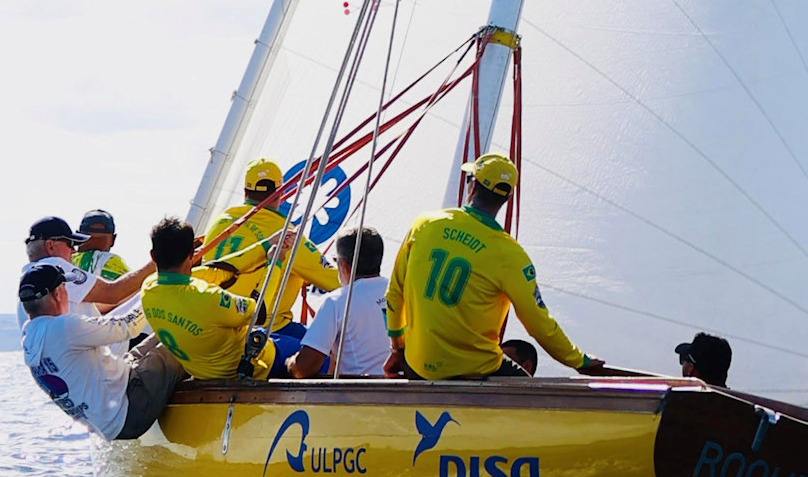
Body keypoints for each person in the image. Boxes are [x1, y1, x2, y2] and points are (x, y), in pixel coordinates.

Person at [385, 153, 607, 380]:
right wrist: (578, 360)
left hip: (417, 366)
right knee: (527, 390)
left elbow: (394, 294)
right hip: (474, 372)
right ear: (507, 198)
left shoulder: (424, 224)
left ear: (472, 186)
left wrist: (397, 349)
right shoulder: (510, 255)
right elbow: (539, 324)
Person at [20, 263, 184, 440]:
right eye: (65, 287)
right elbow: (128, 327)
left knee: (161, 335)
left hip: (109, 422)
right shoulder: (63, 327)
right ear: (58, 294)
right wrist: (154, 290)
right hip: (130, 411)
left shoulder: (29, 335)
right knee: (183, 339)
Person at [202, 158, 341, 329]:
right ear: (280, 192)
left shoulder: (219, 222)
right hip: (262, 329)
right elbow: (339, 281)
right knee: (324, 351)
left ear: (245, 191)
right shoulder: (286, 236)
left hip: (209, 320)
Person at [141, 217, 275, 380]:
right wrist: (276, 264)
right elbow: (259, 313)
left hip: (199, 373)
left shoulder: (148, 288)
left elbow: (215, 273)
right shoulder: (210, 298)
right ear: (192, 253)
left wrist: (264, 247)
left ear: (153, 256)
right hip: (250, 369)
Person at [285, 227, 391, 378]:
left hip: (361, 394)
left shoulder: (337, 301)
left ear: (344, 264)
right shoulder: (400, 293)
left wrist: (289, 363)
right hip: (407, 392)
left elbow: (303, 368)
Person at [22, 215, 149, 318]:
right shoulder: (53, 267)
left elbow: (99, 305)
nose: (74, 251)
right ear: (50, 246)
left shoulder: (28, 277)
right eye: (70, 244)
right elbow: (111, 293)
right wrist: (157, 263)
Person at [73, 211, 129, 281]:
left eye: (99, 239)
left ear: (77, 237)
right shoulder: (118, 266)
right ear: (113, 240)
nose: (94, 243)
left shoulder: (64, 262)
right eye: (91, 239)